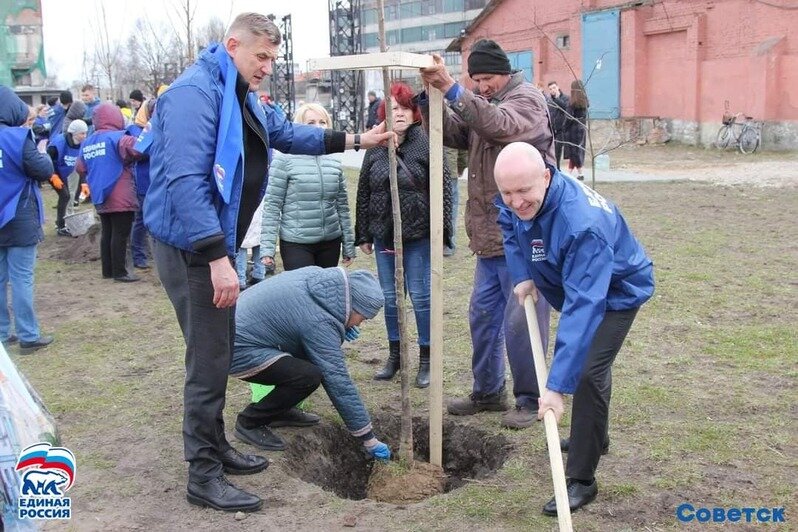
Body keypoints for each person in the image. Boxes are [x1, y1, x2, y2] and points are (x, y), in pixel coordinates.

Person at [143, 12, 394, 513]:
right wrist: (218, 257)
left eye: (273, 59)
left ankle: (217, 448)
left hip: (211, 245)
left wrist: (358, 140)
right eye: (261, 56)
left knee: (215, 350)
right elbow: (187, 182)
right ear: (232, 44)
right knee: (209, 361)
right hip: (192, 248)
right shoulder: (195, 96)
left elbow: (287, 135)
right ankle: (204, 474)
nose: (266, 66)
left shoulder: (239, 94)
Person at [494, 142, 654, 515]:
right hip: (575, 283)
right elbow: (507, 220)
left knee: (586, 372)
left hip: (616, 292)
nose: (515, 201)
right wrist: (521, 275)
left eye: (523, 192)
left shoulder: (582, 225)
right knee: (591, 370)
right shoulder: (517, 189)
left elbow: (584, 308)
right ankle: (594, 436)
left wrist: (555, 388)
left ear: (546, 178)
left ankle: (582, 479)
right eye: (508, 192)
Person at [419, 39, 553, 429]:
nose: (482, 86)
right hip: (489, 240)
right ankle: (488, 391)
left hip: (525, 237)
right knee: (482, 317)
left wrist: (453, 89)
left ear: (505, 72)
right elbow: (458, 131)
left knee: (521, 320)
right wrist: (429, 102)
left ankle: (530, 399)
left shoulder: (526, 101)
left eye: (488, 78)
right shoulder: (484, 104)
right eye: (475, 80)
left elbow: (499, 125)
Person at [230, 266, 391, 460]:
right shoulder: (319, 322)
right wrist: (368, 438)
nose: (359, 324)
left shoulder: (319, 281)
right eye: (362, 318)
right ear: (352, 306)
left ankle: (279, 412)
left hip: (241, 332)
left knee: (306, 365)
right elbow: (337, 380)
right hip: (237, 349)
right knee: (308, 376)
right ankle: (250, 422)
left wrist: (339, 326)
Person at [356, 81, 453, 389]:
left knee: (421, 298)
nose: (398, 114)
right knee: (391, 299)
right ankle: (395, 356)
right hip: (385, 235)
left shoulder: (426, 144)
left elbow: (445, 190)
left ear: (415, 112)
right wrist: (364, 235)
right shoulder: (376, 148)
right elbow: (363, 191)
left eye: (404, 108)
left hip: (419, 235)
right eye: (392, 109)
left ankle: (426, 359)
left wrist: (443, 233)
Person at [260, 103, 356, 272]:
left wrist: (349, 244)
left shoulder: (333, 159)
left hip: (330, 242)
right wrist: (267, 248)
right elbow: (272, 205)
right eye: (311, 123)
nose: (318, 127)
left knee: (326, 292)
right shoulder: (284, 159)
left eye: (323, 122)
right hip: (296, 243)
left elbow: (342, 206)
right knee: (302, 294)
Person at [0, 86, 56, 352]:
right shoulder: (17, 137)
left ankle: (1, 332)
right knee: (21, 277)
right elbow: (43, 169)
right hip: (19, 215)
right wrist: (42, 149)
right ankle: (28, 335)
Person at [75, 103, 142, 282]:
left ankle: (108, 270)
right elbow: (139, 150)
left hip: (99, 193)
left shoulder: (88, 141)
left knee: (108, 232)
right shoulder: (119, 137)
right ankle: (120, 272)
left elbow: (80, 167)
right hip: (120, 192)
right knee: (121, 233)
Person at [47, 119, 88, 236]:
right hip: (53, 172)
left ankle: (61, 222)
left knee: (68, 195)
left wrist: (84, 182)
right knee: (65, 196)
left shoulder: (82, 144)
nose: (85, 136)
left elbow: (82, 164)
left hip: (66, 171)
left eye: (85, 133)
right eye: (82, 133)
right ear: (74, 133)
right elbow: (46, 161)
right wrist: (53, 175)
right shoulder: (57, 144)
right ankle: (60, 226)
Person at [563, 80, 588, 180]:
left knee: (573, 152)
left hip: (572, 130)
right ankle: (575, 172)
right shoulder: (585, 101)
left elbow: (569, 117)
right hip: (581, 129)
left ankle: (576, 173)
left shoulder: (572, 102)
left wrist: (564, 127)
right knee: (577, 151)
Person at [546, 81, 569, 170]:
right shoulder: (549, 101)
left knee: (557, 152)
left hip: (561, 131)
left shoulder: (565, 98)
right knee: (551, 153)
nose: (552, 90)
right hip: (552, 130)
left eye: (554, 88)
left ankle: (557, 170)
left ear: (558, 87)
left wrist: (556, 98)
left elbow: (565, 108)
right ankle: (554, 169)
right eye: (550, 89)